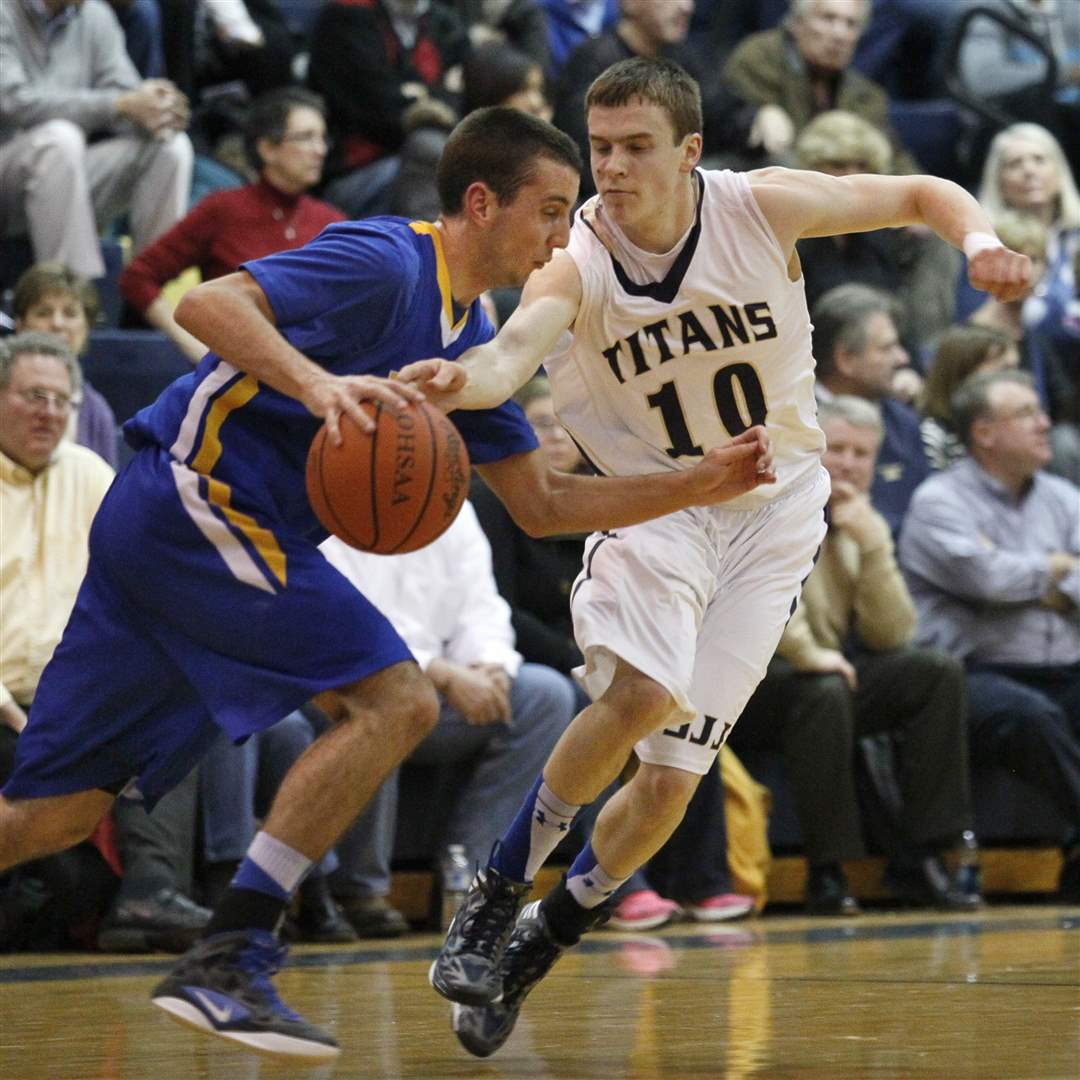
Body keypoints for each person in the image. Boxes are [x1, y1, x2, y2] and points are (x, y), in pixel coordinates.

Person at [0, 105, 773, 1063]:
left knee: (54, 815)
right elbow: (208, 307)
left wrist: (697, 483)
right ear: (481, 203)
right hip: (195, 503)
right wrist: (316, 384)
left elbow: (540, 503)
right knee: (398, 701)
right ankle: (231, 954)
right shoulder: (384, 260)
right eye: (549, 210)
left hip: (190, 538)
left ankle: (227, 954)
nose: (561, 235)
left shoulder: (472, 337)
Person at [396, 56, 1030, 1059]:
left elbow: (921, 191)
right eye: (600, 148)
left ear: (690, 151)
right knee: (642, 697)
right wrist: (459, 381)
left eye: (636, 147)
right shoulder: (578, 256)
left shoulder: (759, 207)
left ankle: (543, 938)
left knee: (669, 780)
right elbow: (511, 356)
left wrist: (982, 244)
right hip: (660, 506)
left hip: (776, 516)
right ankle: (497, 894)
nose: (612, 168)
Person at [730, 396, 977, 916]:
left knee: (934, 672)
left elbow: (894, 635)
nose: (848, 463)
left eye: (862, 454)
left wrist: (873, 545)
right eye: (836, 448)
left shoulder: (859, 520)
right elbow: (764, 604)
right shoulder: (768, 505)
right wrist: (810, 655)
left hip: (822, 680)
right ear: (808, 448)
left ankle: (927, 852)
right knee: (823, 689)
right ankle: (828, 869)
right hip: (743, 684)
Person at [321, 503, 579, 936]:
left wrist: (490, 666)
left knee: (545, 695)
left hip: (442, 690)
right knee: (386, 705)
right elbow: (349, 623)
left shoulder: (451, 507)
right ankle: (360, 890)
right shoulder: (337, 504)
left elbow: (482, 606)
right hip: (357, 683)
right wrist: (440, 672)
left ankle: (473, 882)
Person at [899, 369, 1080, 903]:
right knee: (1032, 717)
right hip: (975, 673)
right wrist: (1056, 571)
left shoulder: (1064, 496)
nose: (1045, 423)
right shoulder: (938, 501)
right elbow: (986, 579)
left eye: (1040, 411)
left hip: (1064, 665)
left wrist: (1026, 575)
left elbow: (1000, 576)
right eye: (1025, 414)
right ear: (983, 433)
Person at [120, 88, 345, 363]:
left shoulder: (333, 221)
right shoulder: (223, 209)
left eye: (322, 138)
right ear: (267, 148)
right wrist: (193, 346)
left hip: (316, 370)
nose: (320, 150)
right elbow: (139, 277)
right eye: (306, 138)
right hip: (235, 370)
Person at [0, 0, 193, 281]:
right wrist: (119, 105)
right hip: (9, 170)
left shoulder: (95, 15)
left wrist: (156, 108)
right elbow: (12, 103)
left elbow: (126, 95)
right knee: (60, 139)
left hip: (64, 173)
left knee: (170, 146)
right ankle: (75, 294)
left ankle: (150, 291)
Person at [721, 0, 919, 172]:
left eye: (851, 24)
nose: (840, 34)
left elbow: (896, 162)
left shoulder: (866, 95)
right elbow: (733, 126)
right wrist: (756, 114)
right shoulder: (759, 60)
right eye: (828, 18)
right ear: (797, 23)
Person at [810, 283, 930, 535]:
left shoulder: (903, 423)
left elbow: (923, 517)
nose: (902, 358)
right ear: (845, 359)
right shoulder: (795, 422)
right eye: (887, 348)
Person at [12, 264, 119, 468]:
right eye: (43, 313)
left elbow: (106, 486)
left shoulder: (97, 412)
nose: (58, 323)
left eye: (70, 314)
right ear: (20, 326)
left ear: (87, 328)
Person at [917, 324, 1019, 471]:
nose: (1015, 381)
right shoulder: (932, 435)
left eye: (1015, 370)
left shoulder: (1016, 427)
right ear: (963, 375)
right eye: (1003, 371)